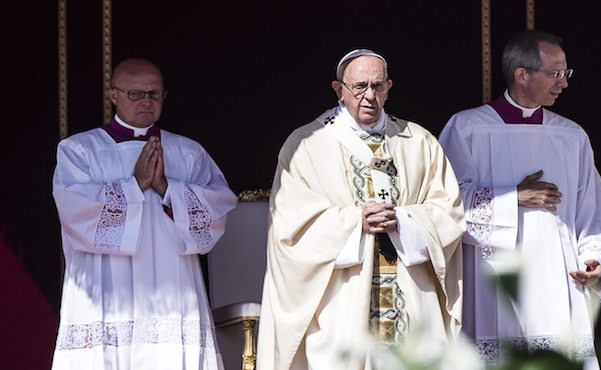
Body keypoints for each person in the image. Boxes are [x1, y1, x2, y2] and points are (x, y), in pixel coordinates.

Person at [256, 49, 466, 369]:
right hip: (342, 302)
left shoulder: (419, 142)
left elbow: (449, 212)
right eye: (359, 87)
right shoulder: (306, 145)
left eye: (378, 86)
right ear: (339, 89)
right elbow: (289, 228)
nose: (369, 96)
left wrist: (404, 221)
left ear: (389, 87)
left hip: (410, 298)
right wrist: (356, 222)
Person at [438, 30, 601, 369]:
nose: (563, 83)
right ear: (521, 75)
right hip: (492, 282)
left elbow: (591, 209)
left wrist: (597, 261)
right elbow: (445, 209)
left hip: (559, 282)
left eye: (566, 73)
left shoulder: (570, 137)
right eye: (555, 73)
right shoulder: (467, 129)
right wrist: (514, 197)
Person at [51, 57, 238, 369]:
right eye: (135, 94)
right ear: (113, 95)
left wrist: (168, 188)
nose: (146, 102)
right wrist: (134, 185)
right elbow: (75, 213)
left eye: (154, 94)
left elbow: (215, 212)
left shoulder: (187, 152)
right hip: (107, 288)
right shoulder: (79, 150)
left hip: (172, 281)